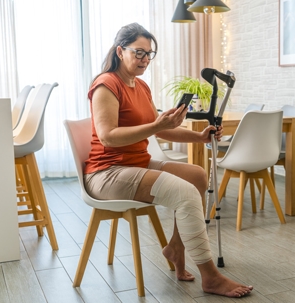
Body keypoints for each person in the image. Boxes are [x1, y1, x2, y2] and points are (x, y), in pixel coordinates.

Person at [83, 22, 253, 298]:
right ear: (119, 51)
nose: (145, 60)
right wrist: (155, 125)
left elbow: (159, 128)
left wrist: (199, 136)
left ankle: (176, 247)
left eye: (149, 54)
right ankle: (210, 277)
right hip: (107, 173)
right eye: (139, 52)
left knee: (197, 175)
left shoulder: (141, 86)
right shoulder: (106, 84)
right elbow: (108, 137)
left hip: (136, 165)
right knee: (185, 192)